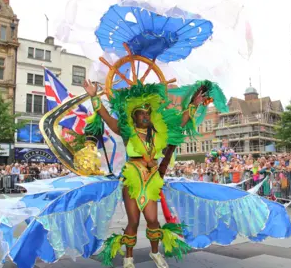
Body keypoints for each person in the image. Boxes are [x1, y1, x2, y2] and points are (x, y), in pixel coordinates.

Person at [83, 79, 209, 268]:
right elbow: (107, 117)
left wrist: (194, 104)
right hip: (132, 178)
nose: (145, 116)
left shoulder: (159, 132)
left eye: (147, 113)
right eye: (141, 114)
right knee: (133, 221)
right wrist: (93, 96)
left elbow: (181, 121)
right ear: (134, 116)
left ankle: (155, 253)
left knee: (152, 220)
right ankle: (129, 258)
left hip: (151, 179)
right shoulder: (126, 131)